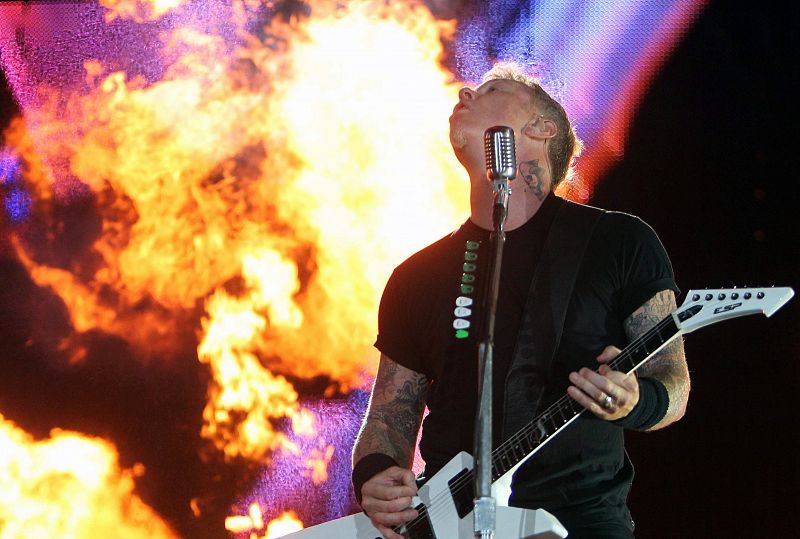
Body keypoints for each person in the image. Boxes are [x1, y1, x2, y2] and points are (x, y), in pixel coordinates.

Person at [351, 64, 690, 539]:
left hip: (579, 521)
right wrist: (374, 476)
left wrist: (635, 401)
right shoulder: (415, 276)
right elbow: (389, 414)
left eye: (492, 90)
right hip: (451, 523)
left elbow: (673, 382)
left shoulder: (619, 241)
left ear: (540, 128)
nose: (467, 90)